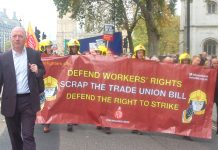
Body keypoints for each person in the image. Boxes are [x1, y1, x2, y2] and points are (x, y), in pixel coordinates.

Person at [0, 27, 45, 150]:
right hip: (10, 102)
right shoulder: (3, 58)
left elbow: (42, 71)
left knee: (28, 135)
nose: (17, 38)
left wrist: (37, 71)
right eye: (14, 36)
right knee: (15, 137)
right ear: (11, 38)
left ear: (25, 38)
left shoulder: (34, 54)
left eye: (20, 36)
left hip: (28, 101)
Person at [39, 39, 53, 133]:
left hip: (50, 84)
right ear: (43, 48)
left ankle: (47, 124)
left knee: (49, 103)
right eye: (48, 47)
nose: (50, 49)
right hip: (40, 84)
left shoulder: (53, 57)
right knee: (42, 104)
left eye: (50, 47)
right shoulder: (37, 58)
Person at [66, 38, 81, 132]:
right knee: (68, 103)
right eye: (73, 47)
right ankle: (69, 121)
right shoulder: (66, 57)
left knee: (76, 102)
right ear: (70, 48)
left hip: (78, 83)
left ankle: (75, 118)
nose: (74, 49)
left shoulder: (81, 57)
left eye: (76, 47)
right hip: (68, 83)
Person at [211, 57, 218, 134]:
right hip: (211, 94)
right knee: (207, 111)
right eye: (214, 63)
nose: (215, 64)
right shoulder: (209, 70)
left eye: (216, 63)